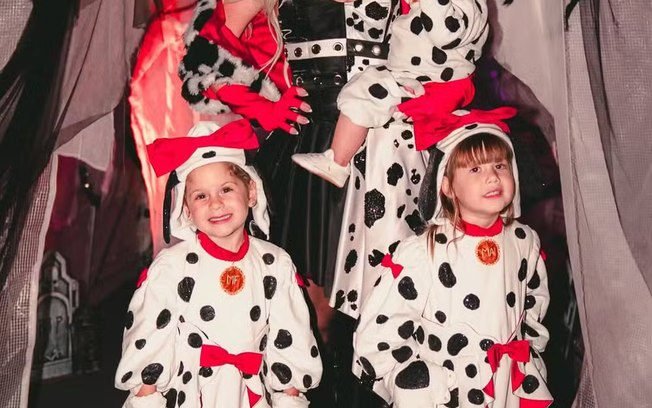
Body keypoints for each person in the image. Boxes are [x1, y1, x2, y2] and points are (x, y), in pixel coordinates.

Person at [352, 110, 554, 407]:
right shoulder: (424, 251)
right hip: (450, 389)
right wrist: (409, 377)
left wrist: (529, 353)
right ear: (446, 187)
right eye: (475, 169)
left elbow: (534, 302)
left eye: (500, 165)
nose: (492, 177)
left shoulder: (524, 241)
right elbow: (382, 322)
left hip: (508, 386)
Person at [114, 120, 322, 408]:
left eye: (226, 189)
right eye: (201, 196)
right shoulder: (171, 268)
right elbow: (150, 336)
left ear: (251, 192)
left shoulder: (275, 264)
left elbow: (290, 335)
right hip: (192, 395)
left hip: (250, 396)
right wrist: (146, 398)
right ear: (186, 209)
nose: (215, 203)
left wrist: (290, 396)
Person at [291, 0, 489, 188]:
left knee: (363, 96)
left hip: (428, 82)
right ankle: (338, 159)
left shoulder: (467, 6)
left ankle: (337, 163)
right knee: (361, 92)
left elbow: (444, 33)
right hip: (408, 76)